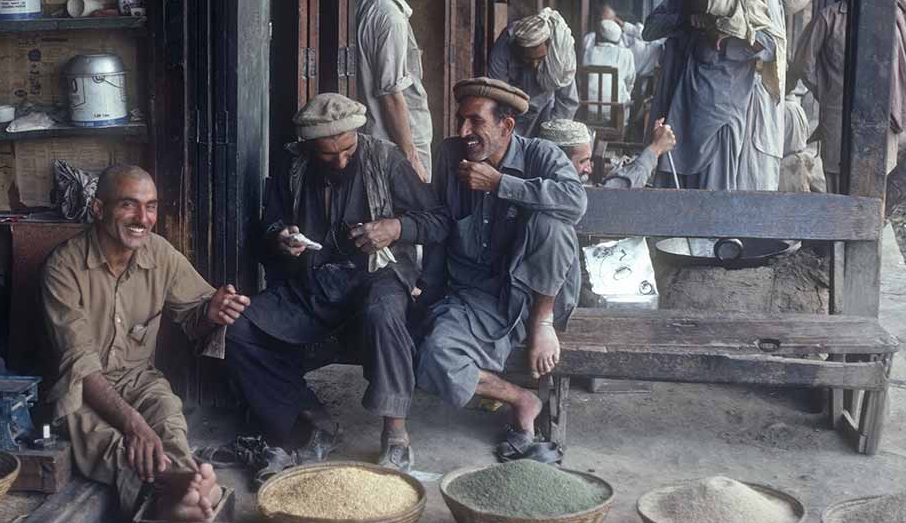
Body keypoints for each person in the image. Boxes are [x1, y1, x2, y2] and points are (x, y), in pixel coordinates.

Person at [224, 93, 447, 473]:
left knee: (383, 313)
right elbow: (270, 224)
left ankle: (395, 433)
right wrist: (281, 237)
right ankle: (313, 418)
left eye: (348, 150)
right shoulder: (293, 164)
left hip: (378, 277)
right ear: (310, 147)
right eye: (328, 155)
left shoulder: (386, 159)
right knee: (238, 329)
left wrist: (396, 227)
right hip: (314, 283)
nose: (341, 161)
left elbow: (439, 220)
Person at [42, 165, 250, 521]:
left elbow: (196, 316)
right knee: (106, 442)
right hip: (82, 388)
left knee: (168, 417)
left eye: (151, 206)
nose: (143, 218)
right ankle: (180, 488)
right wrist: (134, 425)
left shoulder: (160, 254)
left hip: (139, 379)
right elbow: (81, 365)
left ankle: (188, 486)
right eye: (129, 205)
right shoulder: (63, 268)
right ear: (98, 209)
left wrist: (212, 313)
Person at [416, 77, 586, 462]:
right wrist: (428, 291)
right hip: (476, 296)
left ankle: (542, 325)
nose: (464, 130)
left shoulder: (541, 155)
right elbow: (440, 223)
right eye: (461, 120)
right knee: (436, 352)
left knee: (553, 224)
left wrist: (500, 184)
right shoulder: (451, 155)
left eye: (476, 121)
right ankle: (521, 400)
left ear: (506, 126)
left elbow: (575, 204)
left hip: (536, 296)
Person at [644, 0, 786, 191]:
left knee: (714, 195)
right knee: (675, 192)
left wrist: (723, 31)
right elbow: (649, 29)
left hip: (720, 115)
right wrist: (686, 19)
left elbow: (771, 46)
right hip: (680, 109)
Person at [790, 0, 906, 193]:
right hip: (839, 113)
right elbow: (803, 63)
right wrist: (828, 92)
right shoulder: (828, 17)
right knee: (838, 178)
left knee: (879, 176)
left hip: (882, 115)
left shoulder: (892, 17)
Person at [355, 0, 436, 182]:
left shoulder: (369, 3)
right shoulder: (390, 18)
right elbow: (390, 94)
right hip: (394, 152)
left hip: (382, 146)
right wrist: (412, 159)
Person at [488, 7, 579, 137]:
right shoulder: (506, 43)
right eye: (528, 59)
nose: (535, 65)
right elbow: (497, 91)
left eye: (540, 58)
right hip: (512, 110)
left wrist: (553, 133)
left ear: (548, 45)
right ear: (518, 48)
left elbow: (567, 102)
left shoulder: (558, 52)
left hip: (545, 110)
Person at [539, 117, 676, 188]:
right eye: (582, 161)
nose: (589, 170)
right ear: (556, 162)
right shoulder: (555, 195)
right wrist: (655, 149)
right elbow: (615, 191)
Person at [582, 3, 664, 81]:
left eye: (615, 19)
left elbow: (647, 35)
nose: (615, 22)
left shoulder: (625, 34)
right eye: (611, 20)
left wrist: (624, 25)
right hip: (652, 62)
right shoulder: (592, 39)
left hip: (658, 50)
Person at [581, 18, 637, 126]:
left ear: (599, 36)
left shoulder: (588, 52)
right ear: (618, 39)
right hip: (616, 114)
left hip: (589, 110)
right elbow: (630, 82)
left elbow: (582, 81)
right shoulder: (626, 54)